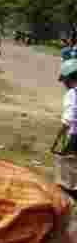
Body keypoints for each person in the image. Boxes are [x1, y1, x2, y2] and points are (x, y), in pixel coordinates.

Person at [53, 59, 77, 197]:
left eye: (64, 80)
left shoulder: (72, 94)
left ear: (69, 78)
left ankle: (67, 196)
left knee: (67, 165)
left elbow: (68, 118)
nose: (64, 84)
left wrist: (58, 138)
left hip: (75, 137)